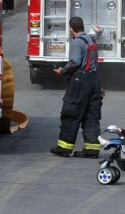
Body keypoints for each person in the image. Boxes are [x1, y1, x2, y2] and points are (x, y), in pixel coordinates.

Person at [50, 17, 103, 158]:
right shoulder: (91, 40)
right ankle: (91, 150)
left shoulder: (77, 43)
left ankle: (64, 148)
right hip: (93, 81)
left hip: (80, 82)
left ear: (71, 29)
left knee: (71, 113)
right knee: (91, 116)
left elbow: (75, 62)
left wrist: (62, 70)